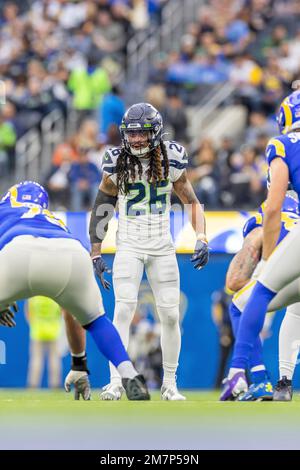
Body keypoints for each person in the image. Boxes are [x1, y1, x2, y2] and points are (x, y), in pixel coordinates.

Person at [89, 102, 209, 401]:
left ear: (155, 132)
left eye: (142, 133)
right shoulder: (116, 161)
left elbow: (191, 202)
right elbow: (103, 206)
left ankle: (170, 384)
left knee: (169, 316)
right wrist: (95, 251)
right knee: (123, 311)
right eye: (132, 134)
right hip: (128, 245)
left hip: (162, 248)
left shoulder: (172, 158)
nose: (137, 139)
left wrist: (203, 236)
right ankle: (116, 381)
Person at [0, 181, 150, 401]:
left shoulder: (5, 210)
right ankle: (129, 373)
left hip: (17, 251)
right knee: (97, 321)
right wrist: (78, 362)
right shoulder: (54, 221)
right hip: (71, 251)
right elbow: (69, 309)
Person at [220, 88, 300, 401]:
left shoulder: (283, 144)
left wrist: (267, 262)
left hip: (288, 244)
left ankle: (244, 372)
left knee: (250, 297)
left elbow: (273, 209)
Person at [225, 193, 300, 401]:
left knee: (239, 304)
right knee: (296, 314)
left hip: (291, 277)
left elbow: (233, 282)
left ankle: (258, 377)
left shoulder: (263, 217)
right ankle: (283, 383)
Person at [26, 296, 62, 389]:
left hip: (37, 331)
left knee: (36, 359)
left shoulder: (34, 297)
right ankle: (55, 384)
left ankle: (33, 384)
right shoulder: (55, 296)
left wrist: (33, 324)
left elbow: (28, 313)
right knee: (54, 359)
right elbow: (61, 312)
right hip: (54, 331)